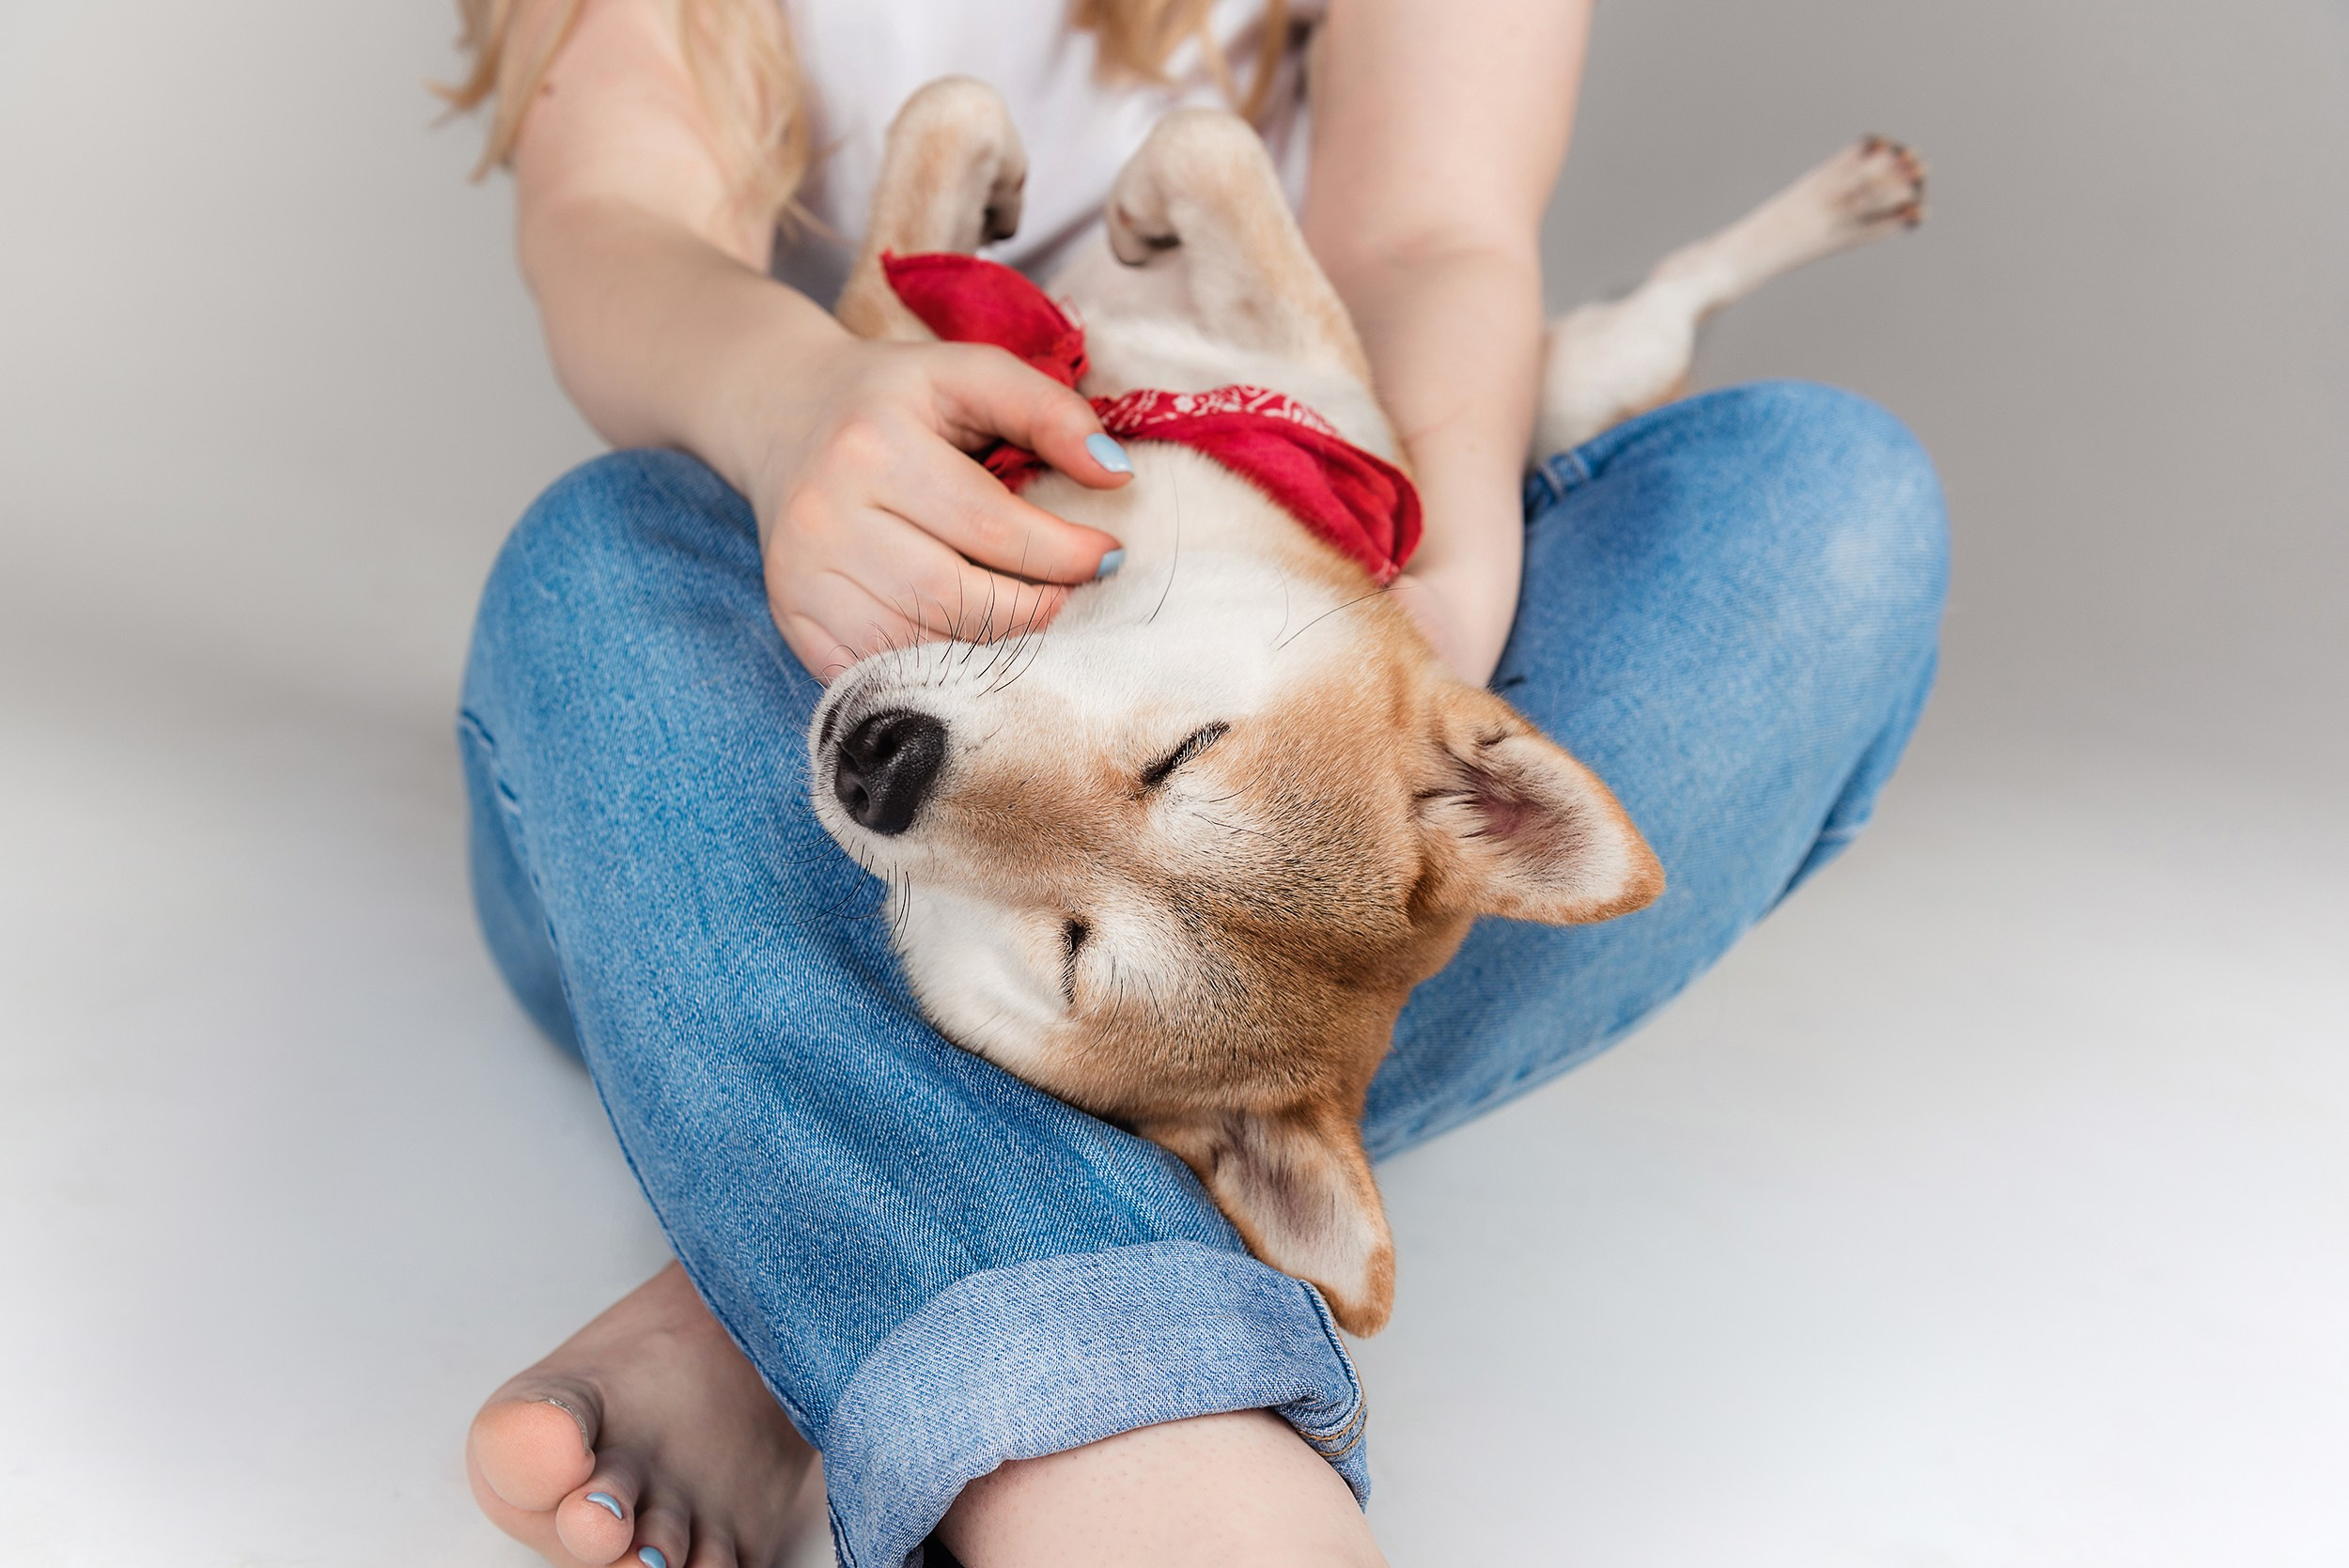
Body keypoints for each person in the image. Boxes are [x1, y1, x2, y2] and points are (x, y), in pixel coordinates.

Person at [445, 1, 1950, 1564]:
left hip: (1274, 603)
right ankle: (1118, 1428)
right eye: (1171, 769)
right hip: (733, 755)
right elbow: (611, 221)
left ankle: (813, 1250)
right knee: (602, 560)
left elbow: (1430, 235)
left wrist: (1425, 618)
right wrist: (788, 408)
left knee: (1832, 522)